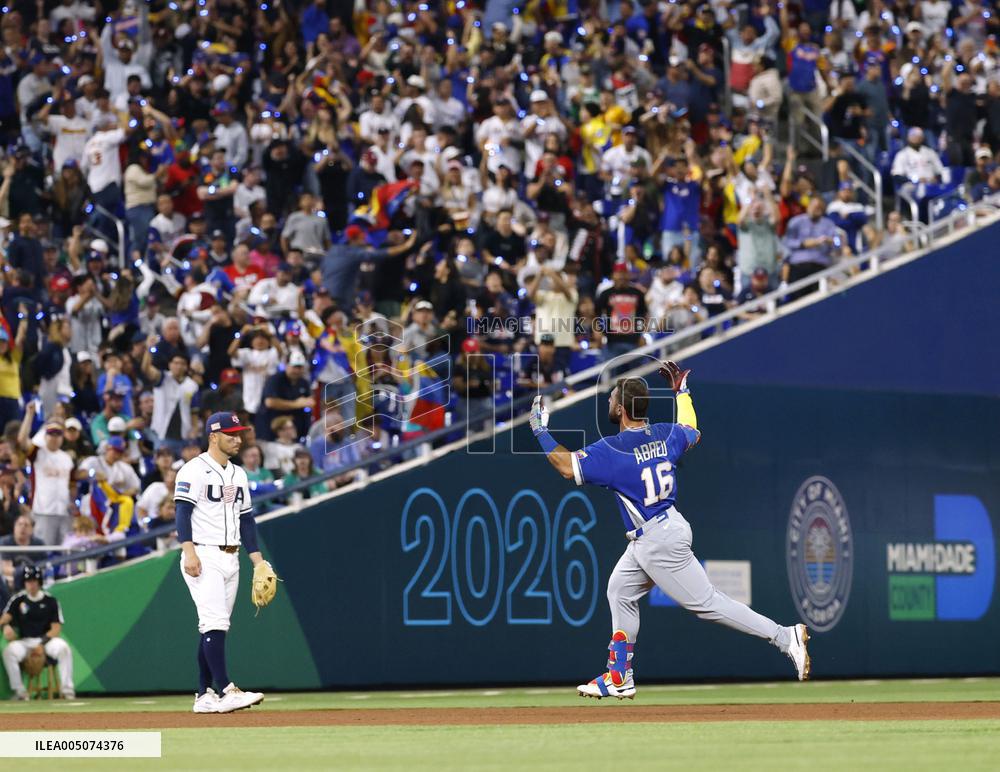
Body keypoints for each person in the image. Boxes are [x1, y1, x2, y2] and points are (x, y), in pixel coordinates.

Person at [528, 363, 809, 699]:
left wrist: (540, 430)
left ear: (621, 409)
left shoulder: (614, 449)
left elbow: (565, 466)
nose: (608, 403)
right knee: (620, 590)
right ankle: (619, 675)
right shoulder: (664, 434)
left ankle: (784, 636)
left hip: (658, 540)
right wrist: (682, 393)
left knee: (707, 603)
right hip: (659, 529)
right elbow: (692, 428)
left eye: (612, 399)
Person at [174, 411, 272, 714]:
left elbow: (247, 519)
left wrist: (257, 561)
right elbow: (182, 513)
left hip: (232, 556)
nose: (238, 439)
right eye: (231, 435)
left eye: (239, 434)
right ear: (213, 437)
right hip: (204, 554)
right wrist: (189, 551)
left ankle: (204, 695)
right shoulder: (193, 470)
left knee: (215, 627)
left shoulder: (238, 474)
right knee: (215, 622)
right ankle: (227, 689)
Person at [1, 564, 76, 700]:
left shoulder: (51, 601)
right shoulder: (18, 600)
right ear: (24, 583)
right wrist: (5, 626)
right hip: (24, 642)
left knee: (64, 648)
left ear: (40, 582)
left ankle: (67, 690)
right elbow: (4, 619)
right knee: (9, 652)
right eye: (28, 581)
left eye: (34, 581)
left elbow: (56, 628)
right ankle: (20, 692)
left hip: (47, 640)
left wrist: (41, 644)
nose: (31, 584)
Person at [18, 406, 74, 546]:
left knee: (65, 550)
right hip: (43, 511)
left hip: (64, 511)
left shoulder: (67, 458)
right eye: (51, 434)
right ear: (45, 435)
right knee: (45, 549)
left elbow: (71, 484)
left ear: (62, 437)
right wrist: (29, 415)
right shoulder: (38, 453)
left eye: (58, 434)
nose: (54, 437)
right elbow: (22, 441)